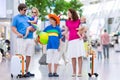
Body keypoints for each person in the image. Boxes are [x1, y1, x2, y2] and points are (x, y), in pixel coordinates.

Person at [11, 3, 35, 77]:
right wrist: (18, 33)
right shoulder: (16, 18)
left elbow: (34, 27)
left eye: (26, 10)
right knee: (22, 55)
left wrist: (33, 29)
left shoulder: (28, 17)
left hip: (30, 38)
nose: (25, 11)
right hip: (21, 39)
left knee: (29, 55)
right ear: (20, 10)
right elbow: (13, 27)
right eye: (24, 10)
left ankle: (26, 71)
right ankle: (21, 72)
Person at [65, 8, 85, 77]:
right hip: (71, 41)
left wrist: (82, 35)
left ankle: (79, 72)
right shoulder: (67, 21)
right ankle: (74, 71)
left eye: (68, 13)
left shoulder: (78, 21)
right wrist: (64, 35)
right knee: (73, 56)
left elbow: (82, 29)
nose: (68, 14)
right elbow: (66, 31)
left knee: (79, 56)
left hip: (78, 40)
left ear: (72, 13)